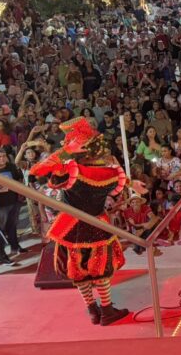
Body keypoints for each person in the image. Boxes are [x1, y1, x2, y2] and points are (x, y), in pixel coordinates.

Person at [28, 118, 130, 326]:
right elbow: (119, 189)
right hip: (97, 224)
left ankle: (93, 310)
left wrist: (65, 153)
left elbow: (36, 171)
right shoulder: (112, 174)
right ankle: (107, 309)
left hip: (70, 226)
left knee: (78, 270)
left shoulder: (71, 169)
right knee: (101, 269)